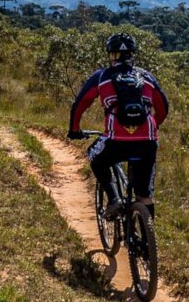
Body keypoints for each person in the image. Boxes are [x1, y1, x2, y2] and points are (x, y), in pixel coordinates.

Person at [67, 32, 168, 220]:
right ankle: (147, 241)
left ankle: (114, 199)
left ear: (110, 54)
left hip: (115, 141)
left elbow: (80, 104)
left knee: (94, 157)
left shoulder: (101, 76)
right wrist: (154, 126)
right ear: (132, 54)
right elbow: (163, 107)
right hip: (147, 141)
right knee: (144, 194)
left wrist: (74, 130)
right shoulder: (146, 76)